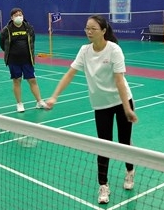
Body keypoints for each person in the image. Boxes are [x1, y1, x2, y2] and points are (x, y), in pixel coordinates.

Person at [44, 15, 138, 205]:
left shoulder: (114, 50)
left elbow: (119, 81)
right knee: (103, 145)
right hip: (100, 105)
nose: (89, 31)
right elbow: (69, 74)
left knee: (124, 141)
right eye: (87, 28)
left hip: (121, 101)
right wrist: (54, 96)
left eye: (93, 28)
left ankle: (130, 171)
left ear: (103, 31)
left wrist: (127, 108)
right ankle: (103, 185)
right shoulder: (84, 51)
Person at [0, 7, 47, 112]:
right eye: (16, 15)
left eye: (20, 14)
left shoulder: (28, 27)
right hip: (13, 60)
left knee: (32, 80)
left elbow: (32, 40)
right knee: (17, 81)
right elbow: (2, 43)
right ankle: (19, 103)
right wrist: (10, 52)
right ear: (12, 17)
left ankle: (39, 101)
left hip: (27, 59)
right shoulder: (7, 30)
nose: (19, 17)